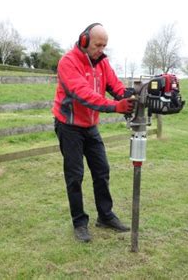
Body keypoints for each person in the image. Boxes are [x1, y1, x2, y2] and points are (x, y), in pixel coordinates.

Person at [52, 23, 136, 242]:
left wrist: (126, 97)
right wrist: (115, 107)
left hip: (90, 127)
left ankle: (105, 216)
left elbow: (114, 85)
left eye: (104, 45)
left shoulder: (102, 62)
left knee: (102, 170)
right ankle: (80, 223)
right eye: (98, 45)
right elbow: (84, 95)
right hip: (69, 126)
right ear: (84, 41)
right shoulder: (68, 62)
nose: (101, 49)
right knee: (75, 176)